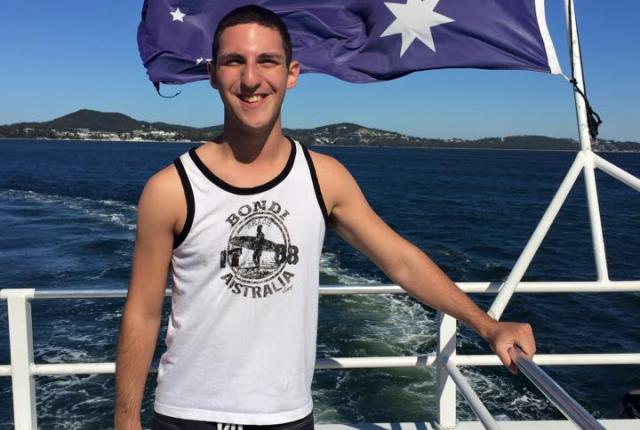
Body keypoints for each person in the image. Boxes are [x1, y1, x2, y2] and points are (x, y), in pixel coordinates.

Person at [114, 5, 536, 430]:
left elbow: (400, 261)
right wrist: (126, 419)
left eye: (267, 61)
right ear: (212, 74)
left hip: (288, 416)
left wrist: (487, 326)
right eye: (234, 61)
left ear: (292, 73)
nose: (251, 79)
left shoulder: (324, 178)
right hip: (189, 414)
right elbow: (143, 312)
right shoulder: (169, 189)